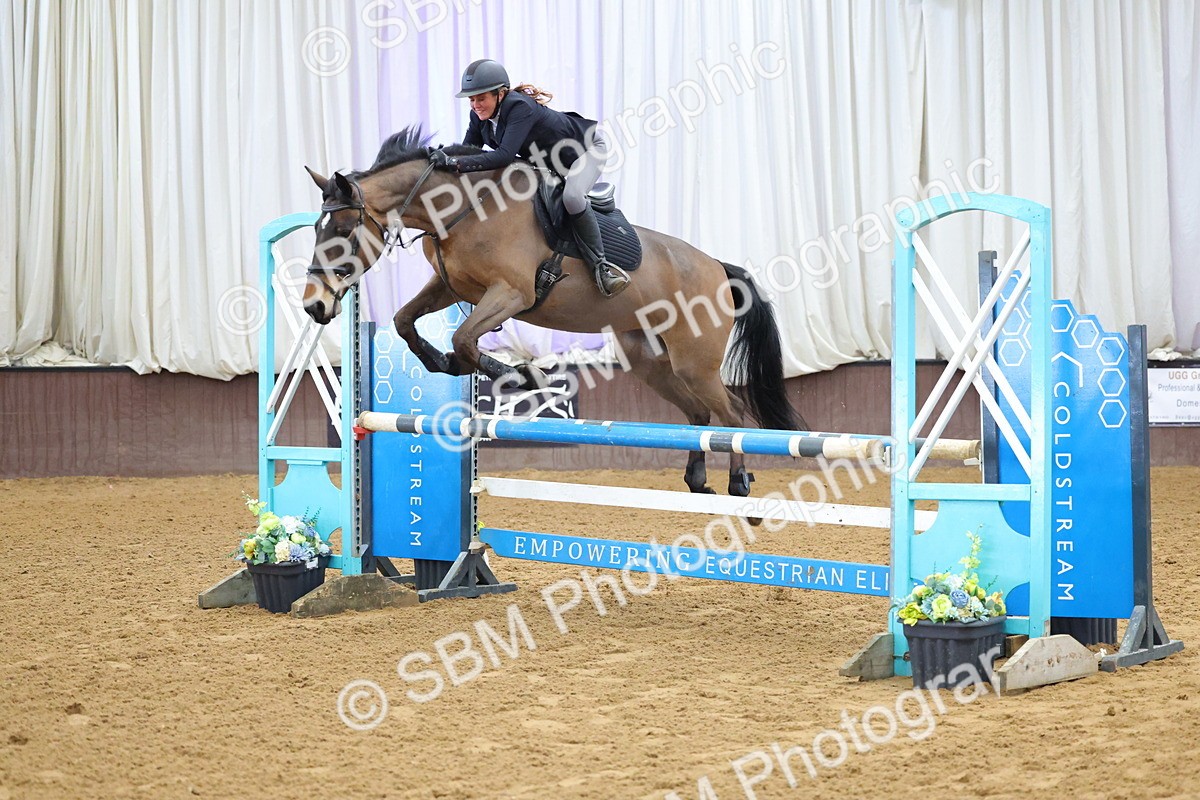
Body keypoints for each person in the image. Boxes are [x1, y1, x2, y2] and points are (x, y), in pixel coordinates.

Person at [430, 59, 630, 297]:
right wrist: (443, 159)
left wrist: (454, 162)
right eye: (471, 100)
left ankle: (602, 269)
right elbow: (469, 152)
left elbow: (503, 156)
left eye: (481, 98)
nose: (475, 105)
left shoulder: (519, 108)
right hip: (549, 161)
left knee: (573, 197)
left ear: (500, 94)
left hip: (587, 149)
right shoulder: (479, 116)